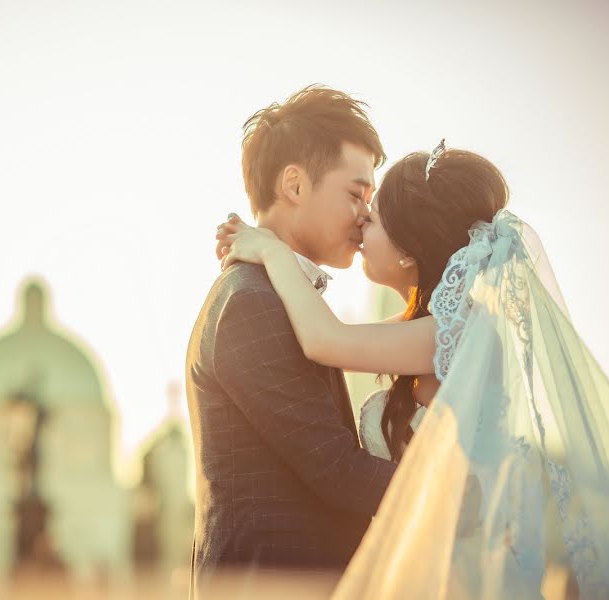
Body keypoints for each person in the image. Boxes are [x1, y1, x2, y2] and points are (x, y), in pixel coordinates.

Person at [214, 141, 609, 598]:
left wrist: (272, 252)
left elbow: (325, 340)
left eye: (371, 220)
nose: (359, 224)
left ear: (407, 252)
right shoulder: (433, 329)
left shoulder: (458, 332)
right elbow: (323, 336)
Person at [185, 85, 398, 598]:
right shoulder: (251, 303)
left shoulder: (275, 295)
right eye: (355, 194)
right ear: (295, 185)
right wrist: (460, 494)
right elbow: (337, 471)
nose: (365, 216)